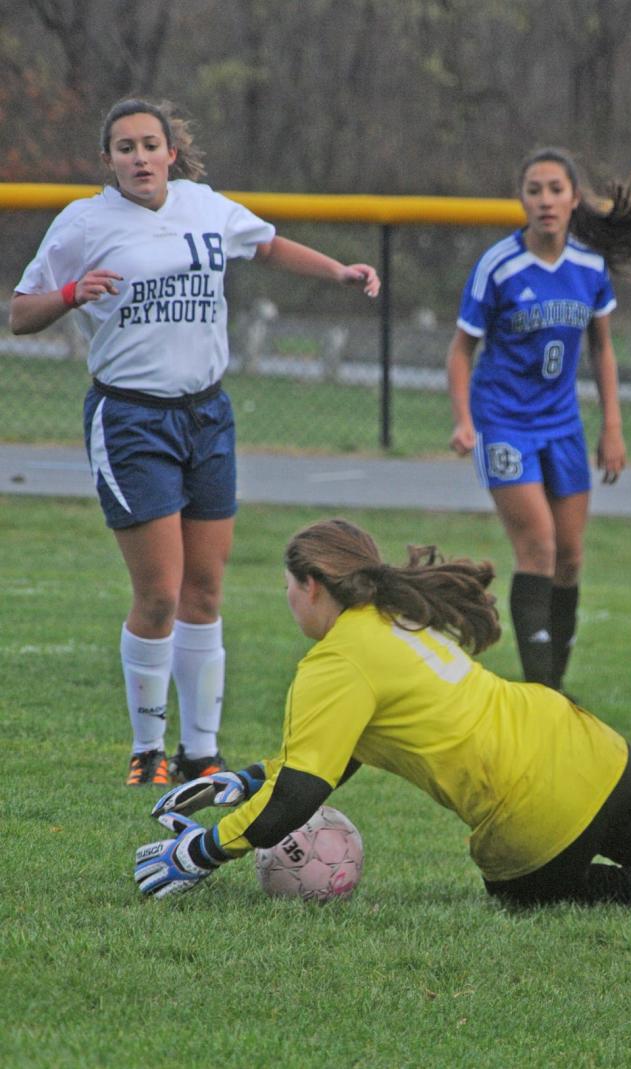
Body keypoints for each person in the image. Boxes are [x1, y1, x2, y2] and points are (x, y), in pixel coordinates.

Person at [135, 517, 631, 917]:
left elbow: (304, 795)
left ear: (313, 587)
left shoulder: (334, 663)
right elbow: (341, 754)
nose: (284, 598)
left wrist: (203, 850)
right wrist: (246, 780)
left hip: (533, 817)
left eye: (286, 586)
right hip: (586, 745)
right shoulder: (400, 618)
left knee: (531, 896)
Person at [9, 99, 380, 788]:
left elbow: (267, 245)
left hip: (206, 415)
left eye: (151, 144)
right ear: (109, 160)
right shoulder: (85, 223)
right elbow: (21, 310)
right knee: (159, 592)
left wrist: (338, 271)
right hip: (131, 420)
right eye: (126, 147)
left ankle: (199, 753)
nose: (140, 157)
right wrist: (68, 293)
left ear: (171, 152)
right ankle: (146, 752)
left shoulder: (206, 206)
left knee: (205, 589)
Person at [446, 148, 631, 693]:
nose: (545, 200)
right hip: (505, 422)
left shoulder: (588, 268)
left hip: (563, 425)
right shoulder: (499, 266)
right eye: (534, 189)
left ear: (574, 198)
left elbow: (602, 349)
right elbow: (461, 351)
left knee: (570, 558)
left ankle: (554, 690)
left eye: (555, 189)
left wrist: (612, 426)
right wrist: (465, 420)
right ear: (522, 199)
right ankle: (542, 694)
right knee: (537, 546)